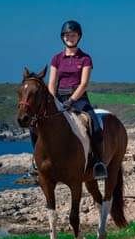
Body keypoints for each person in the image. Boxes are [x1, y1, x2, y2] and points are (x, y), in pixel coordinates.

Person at [30, 20, 108, 179]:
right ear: (62, 37)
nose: (70, 37)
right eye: (67, 35)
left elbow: (84, 83)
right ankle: (35, 161)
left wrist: (71, 101)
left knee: (94, 124)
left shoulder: (85, 59)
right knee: (34, 124)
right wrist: (54, 100)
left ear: (78, 36)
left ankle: (99, 163)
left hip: (78, 98)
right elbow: (51, 83)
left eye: (73, 35)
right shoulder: (56, 58)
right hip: (58, 97)